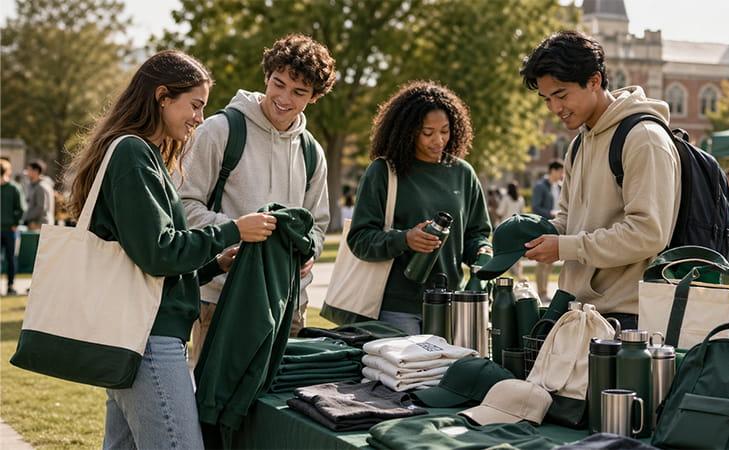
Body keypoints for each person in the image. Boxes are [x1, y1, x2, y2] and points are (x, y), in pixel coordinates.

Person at [65, 50, 274, 449]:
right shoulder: (132, 153)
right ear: (163, 96)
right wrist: (233, 230)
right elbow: (159, 253)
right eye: (194, 105)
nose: (199, 118)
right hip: (149, 338)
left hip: (138, 330)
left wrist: (213, 265)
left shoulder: (145, 155)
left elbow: (151, 262)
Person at [177, 34, 336, 357]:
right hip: (221, 297)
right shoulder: (219, 131)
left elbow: (317, 225)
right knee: (214, 403)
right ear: (267, 77)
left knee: (279, 404)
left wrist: (310, 252)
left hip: (288, 303)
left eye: (299, 92)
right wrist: (236, 230)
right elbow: (183, 205)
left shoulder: (311, 152)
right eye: (278, 84)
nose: (283, 98)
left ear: (315, 97)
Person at [520, 31, 681, 330]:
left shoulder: (643, 139)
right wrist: (531, 234)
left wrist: (565, 247)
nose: (554, 108)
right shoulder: (579, 144)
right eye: (546, 99)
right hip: (581, 312)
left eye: (561, 95)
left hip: (629, 320)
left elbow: (648, 233)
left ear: (594, 81)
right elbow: (569, 221)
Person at [347, 81, 492, 335]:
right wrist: (405, 239)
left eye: (445, 131)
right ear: (407, 131)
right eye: (428, 133)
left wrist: (482, 250)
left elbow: (476, 233)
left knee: (448, 375)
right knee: (407, 375)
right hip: (396, 309)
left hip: (451, 304)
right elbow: (360, 239)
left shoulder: (462, 173)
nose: (439, 141)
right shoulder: (384, 172)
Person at [531, 160, 564, 301]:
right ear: (553, 171)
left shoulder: (560, 187)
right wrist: (551, 213)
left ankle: (544, 291)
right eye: (560, 171)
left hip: (556, 226)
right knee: (541, 261)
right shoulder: (540, 186)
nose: (562, 174)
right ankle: (541, 292)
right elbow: (536, 207)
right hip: (544, 225)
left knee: (550, 261)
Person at [1, 158, 26, 296]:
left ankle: (10, 286)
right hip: (10, 230)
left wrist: (15, 223)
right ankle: (10, 287)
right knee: (11, 259)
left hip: (10, 230)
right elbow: (22, 208)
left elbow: (21, 209)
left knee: (11, 259)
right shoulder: (16, 187)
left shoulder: (14, 188)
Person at [496, 181, 526, 279]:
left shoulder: (506, 198)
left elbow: (500, 212)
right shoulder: (520, 199)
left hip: (506, 226)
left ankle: (509, 270)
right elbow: (523, 214)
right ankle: (518, 273)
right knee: (517, 251)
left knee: (506, 250)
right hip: (517, 227)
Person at [22, 159, 54, 231]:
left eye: (29, 170)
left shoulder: (41, 187)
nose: (27, 173)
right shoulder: (35, 185)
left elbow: (40, 208)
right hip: (37, 225)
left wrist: (25, 217)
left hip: (39, 226)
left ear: (36, 171)